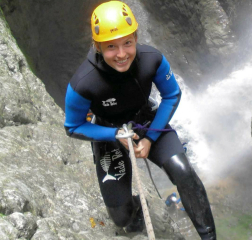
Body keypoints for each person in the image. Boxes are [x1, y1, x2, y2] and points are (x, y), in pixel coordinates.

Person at [64, 1, 216, 239]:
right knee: (120, 216)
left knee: (184, 172)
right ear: (97, 46)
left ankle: (208, 236)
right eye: (111, 46)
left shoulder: (151, 59)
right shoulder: (84, 83)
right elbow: (72, 127)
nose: (122, 54)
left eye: (127, 42)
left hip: (145, 121)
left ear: (136, 37)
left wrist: (151, 138)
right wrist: (114, 135)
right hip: (108, 132)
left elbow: (171, 95)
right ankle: (135, 210)